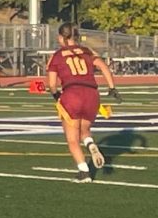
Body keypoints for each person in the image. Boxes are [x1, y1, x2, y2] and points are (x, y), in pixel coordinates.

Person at [46, 23, 121, 182]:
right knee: (84, 130)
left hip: (72, 94)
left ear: (61, 37)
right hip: (91, 94)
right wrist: (112, 88)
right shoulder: (87, 51)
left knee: (72, 138)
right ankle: (90, 144)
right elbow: (104, 67)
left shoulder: (57, 55)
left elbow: (52, 84)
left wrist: (56, 95)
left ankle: (84, 172)